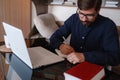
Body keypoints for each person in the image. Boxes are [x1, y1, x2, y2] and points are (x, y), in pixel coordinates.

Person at [49, 0, 120, 66]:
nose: (84, 19)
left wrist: (85, 56)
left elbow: (115, 58)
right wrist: (60, 46)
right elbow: (54, 37)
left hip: (95, 68)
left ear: (98, 10)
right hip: (72, 65)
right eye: (81, 13)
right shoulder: (74, 18)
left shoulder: (108, 25)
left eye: (89, 15)